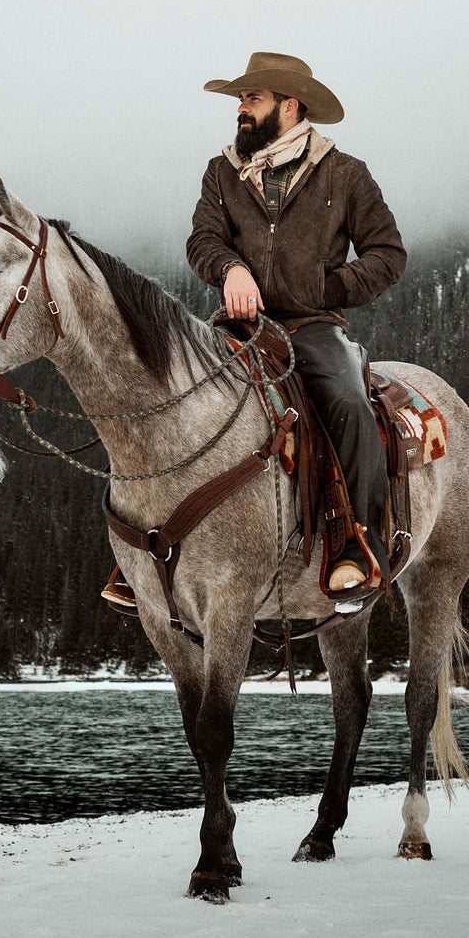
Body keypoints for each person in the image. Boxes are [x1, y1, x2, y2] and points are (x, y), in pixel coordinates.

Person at [187, 52, 407, 596]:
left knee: (348, 403)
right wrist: (230, 268)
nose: (240, 108)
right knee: (178, 396)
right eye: (241, 98)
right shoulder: (222, 171)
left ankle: (359, 544)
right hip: (239, 325)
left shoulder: (345, 173)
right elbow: (203, 240)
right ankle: (155, 549)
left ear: (289, 105)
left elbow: (387, 253)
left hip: (312, 325)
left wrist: (328, 289)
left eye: (251, 98)